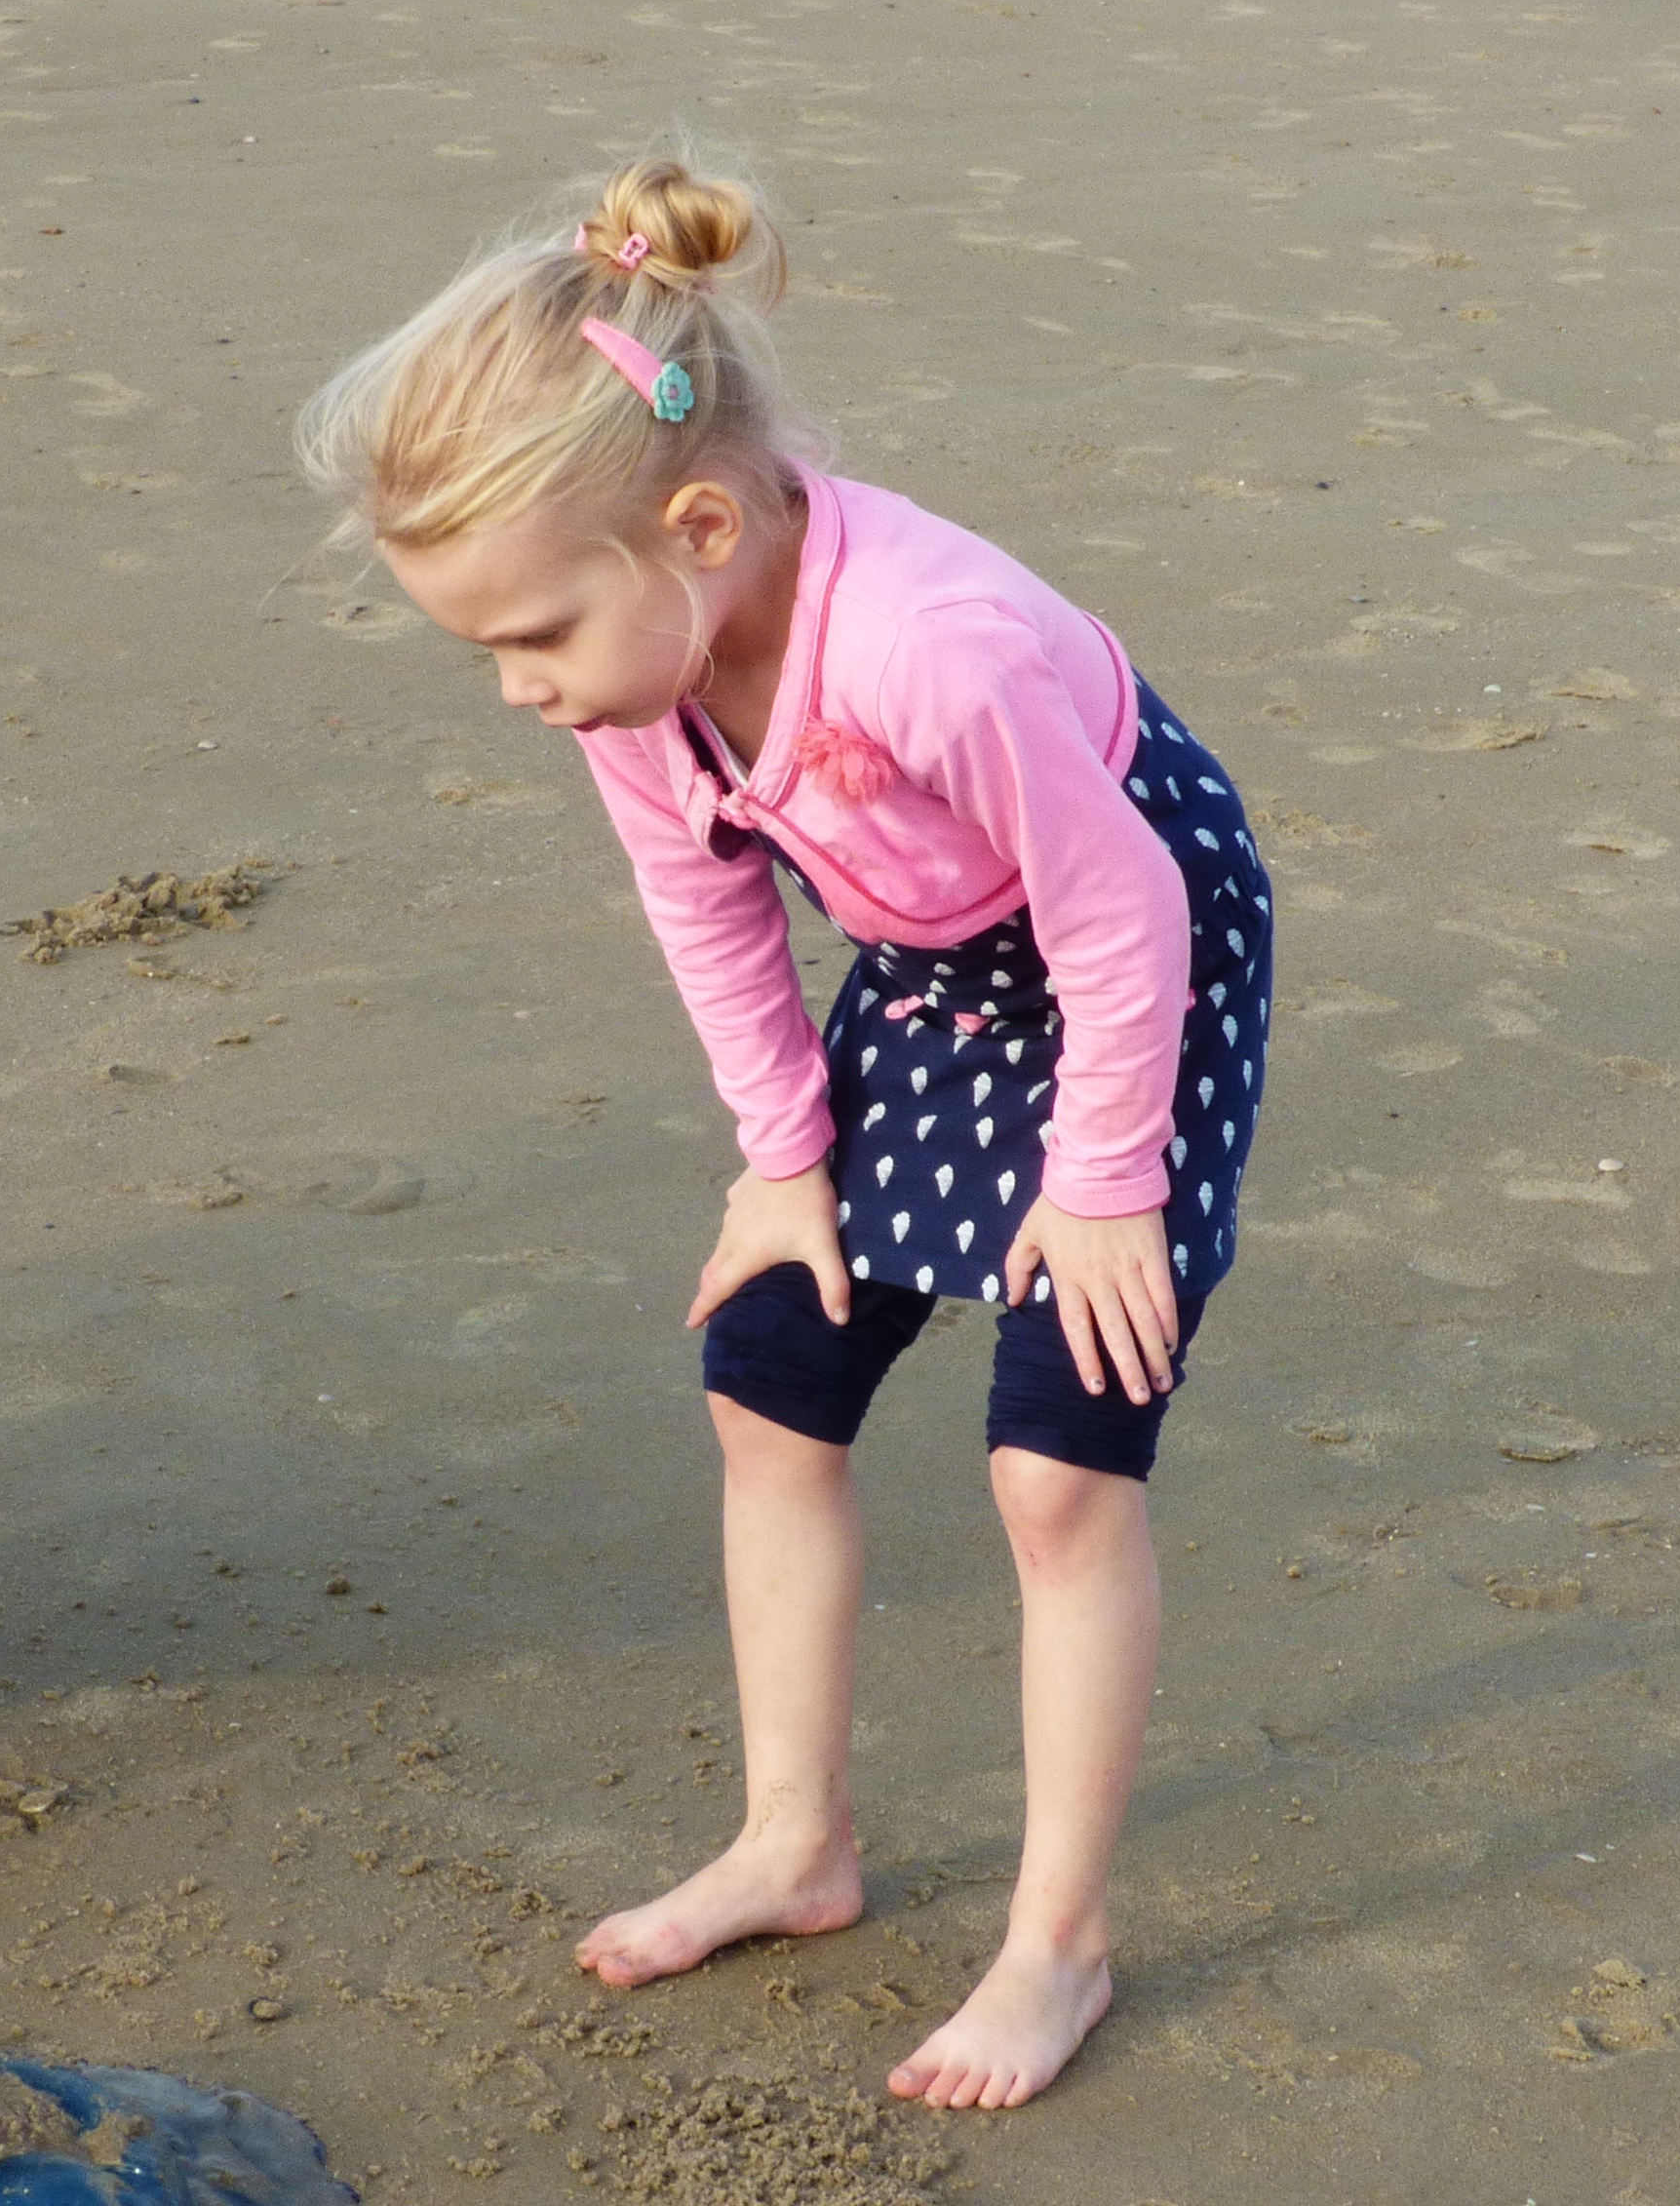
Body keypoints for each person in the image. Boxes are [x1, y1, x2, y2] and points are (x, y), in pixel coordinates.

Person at [299, 157, 1271, 2108]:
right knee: (769, 1376)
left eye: (537, 635)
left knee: (1054, 1470)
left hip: (1130, 940)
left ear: (701, 528)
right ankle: (793, 1838)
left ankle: (1057, 1942)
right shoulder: (643, 690)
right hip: (927, 951)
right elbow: (716, 911)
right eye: (482, 650)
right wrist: (782, 1160)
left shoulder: (930, 650)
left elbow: (1123, 913)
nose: (516, 688)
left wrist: (1104, 1187)